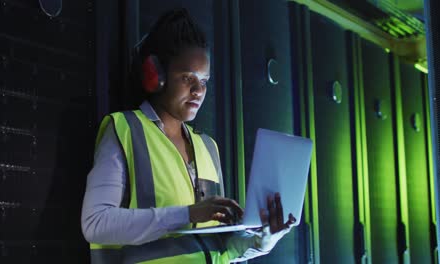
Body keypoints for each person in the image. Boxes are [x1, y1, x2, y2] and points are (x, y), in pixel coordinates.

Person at [81, 8, 295, 264]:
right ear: (156, 76)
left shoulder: (208, 147)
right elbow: (96, 223)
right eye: (187, 78)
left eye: (204, 81)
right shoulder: (124, 129)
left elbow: (220, 249)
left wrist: (264, 240)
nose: (198, 91)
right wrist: (189, 213)